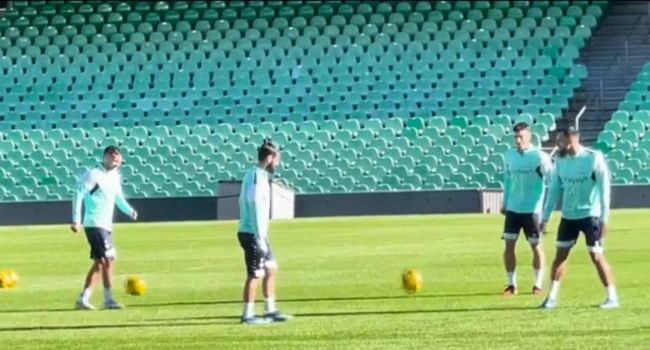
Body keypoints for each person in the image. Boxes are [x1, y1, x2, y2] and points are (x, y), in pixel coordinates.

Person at [540, 128, 619, 309]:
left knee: (596, 256)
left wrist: (604, 218)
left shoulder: (593, 158)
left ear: (572, 139)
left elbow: (604, 190)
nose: (558, 144)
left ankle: (612, 297)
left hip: (590, 215)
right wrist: (545, 218)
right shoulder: (560, 160)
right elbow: (553, 191)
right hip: (568, 216)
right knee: (560, 256)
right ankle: (551, 298)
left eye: (561, 140)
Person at [71, 146, 138, 310]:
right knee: (107, 258)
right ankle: (105, 299)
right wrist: (76, 220)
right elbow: (78, 195)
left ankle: (87, 298)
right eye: (112, 157)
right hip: (94, 223)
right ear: (105, 157)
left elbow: (118, 198)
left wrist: (130, 211)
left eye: (117, 158)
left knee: (103, 261)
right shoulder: (93, 174)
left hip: (106, 225)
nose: (115, 160)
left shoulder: (115, 177)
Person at [237, 139, 292, 324]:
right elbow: (255, 206)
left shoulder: (257, 175)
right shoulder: (256, 178)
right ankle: (248, 315)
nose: (278, 164)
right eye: (277, 159)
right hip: (252, 233)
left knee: (271, 268)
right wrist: (260, 237)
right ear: (270, 158)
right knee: (255, 274)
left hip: (259, 234)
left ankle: (270, 309)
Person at [501, 122, 552, 296]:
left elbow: (551, 180)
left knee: (536, 246)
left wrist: (546, 209)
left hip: (532, 210)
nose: (518, 140)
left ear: (529, 136)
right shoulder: (509, 156)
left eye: (521, 136)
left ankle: (537, 284)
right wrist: (505, 202)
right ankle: (511, 285)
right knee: (509, 244)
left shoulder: (539, 156)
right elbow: (507, 180)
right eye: (515, 136)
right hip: (514, 208)